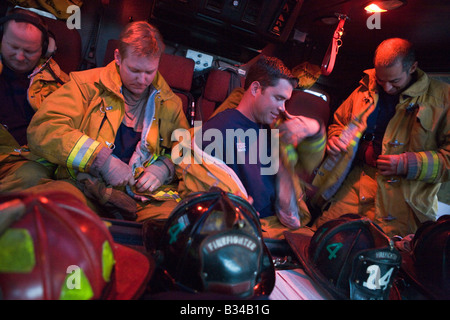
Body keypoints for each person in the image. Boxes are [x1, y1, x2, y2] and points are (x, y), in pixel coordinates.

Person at [27, 21, 190, 221]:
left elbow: (187, 150)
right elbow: (43, 128)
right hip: (86, 188)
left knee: (175, 225)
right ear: (118, 58)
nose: (142, 79)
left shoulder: (171, 104)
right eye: (135, 70)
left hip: (143, 198)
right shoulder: (85, 86)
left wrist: (164, 168)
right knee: (59, 214)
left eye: (150, 72)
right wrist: (102, 161)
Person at [176, 56, 326, 239]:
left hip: (281, 230)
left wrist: (314, 128)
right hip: (249, 232)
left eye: (286, 101)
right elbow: (201, 186)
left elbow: (310, 163)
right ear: (255, 88)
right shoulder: (220, 129)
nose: (283, 108)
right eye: (278, 98)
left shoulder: (274, 131)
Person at [312, 38, 450, 237]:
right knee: (324, 237)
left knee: (387, 253)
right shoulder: (364, 90)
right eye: (380, 79)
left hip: (405, 198)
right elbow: (339, 123)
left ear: (413, 67)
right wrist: (335, 138)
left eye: (394, 81)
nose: (386, 88)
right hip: (357, 181)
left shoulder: (443, 99)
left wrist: (407, 164)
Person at [0, 8, 69, 192]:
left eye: (29, 51)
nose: (20, 57)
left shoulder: (61, 84)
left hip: (25, 163)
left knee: (33, 177)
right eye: (13, 47)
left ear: (45, 50)